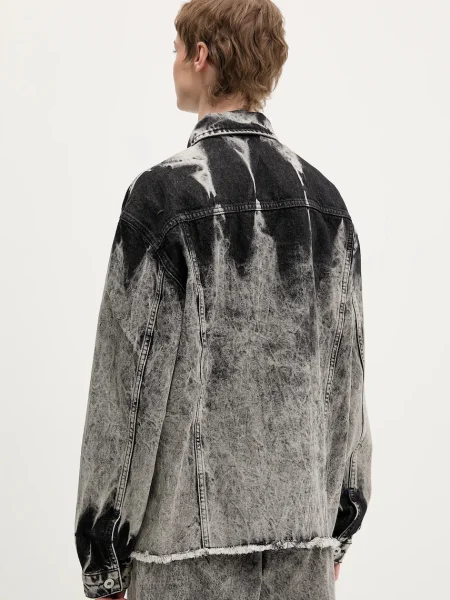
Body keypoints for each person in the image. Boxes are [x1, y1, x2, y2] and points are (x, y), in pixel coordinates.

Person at [73, 1, 373, 599]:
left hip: (183, 565)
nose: (174, 62)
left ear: (201, 55)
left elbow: (127, 393)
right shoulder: (327, 205)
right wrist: (338, 529)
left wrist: (103, 562)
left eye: (176, 49)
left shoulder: (162, 198)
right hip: (302, 560)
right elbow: (348, 383)